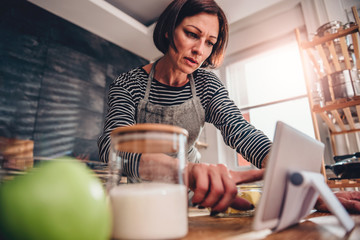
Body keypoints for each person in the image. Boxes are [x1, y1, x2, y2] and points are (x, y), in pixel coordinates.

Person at [98, 0, 360, 215]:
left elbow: (240, 130)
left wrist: (296, 177)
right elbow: (113, 146)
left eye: (210, 42)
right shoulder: (128, 84)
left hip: (191, 196)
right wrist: (184, 172)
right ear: (168, 30)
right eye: (192, 34)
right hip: (136, 199)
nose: (200, 50)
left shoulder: (206, 85)